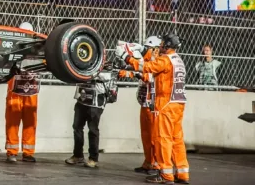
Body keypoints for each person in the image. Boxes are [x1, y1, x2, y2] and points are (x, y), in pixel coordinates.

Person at [120, 34, 190, 184]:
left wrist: (127, 57)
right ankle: (182, 173)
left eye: (163, 43)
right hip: (178, 104)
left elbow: (146, 67)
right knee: (177, 140)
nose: (161, 46)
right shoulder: (178, 60)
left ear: (167, 45)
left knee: (162, 139)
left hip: (166, 104)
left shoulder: (165, 60)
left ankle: (166, 175)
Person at [118, 35, 161, 175]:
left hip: (153, 106)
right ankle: (148, 162)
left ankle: (155, 164)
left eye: (148, 48)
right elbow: (138, 70)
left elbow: (149, 78)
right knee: (145, 136)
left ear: (155, 49)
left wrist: (136, 72)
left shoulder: (159, 62)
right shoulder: (145, 61)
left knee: (154, 137)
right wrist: (124, 72)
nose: (145, 51)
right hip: (144, 104)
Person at [5, 21, 40, 163]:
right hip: (15, 88)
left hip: (31, 89)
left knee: (30, 121)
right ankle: (12, 152)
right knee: (12, 121)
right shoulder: (11, 46)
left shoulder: (38, 47)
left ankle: (28, 152)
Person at [65, 70, 112, 168]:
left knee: (93, 130)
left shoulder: (102, 59)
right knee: (77, 127)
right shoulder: (81, 61)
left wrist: (89, 73)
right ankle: (78, 155)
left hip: (96, 100)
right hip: (82, 97)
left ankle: (93, 158)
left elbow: (107, 76)